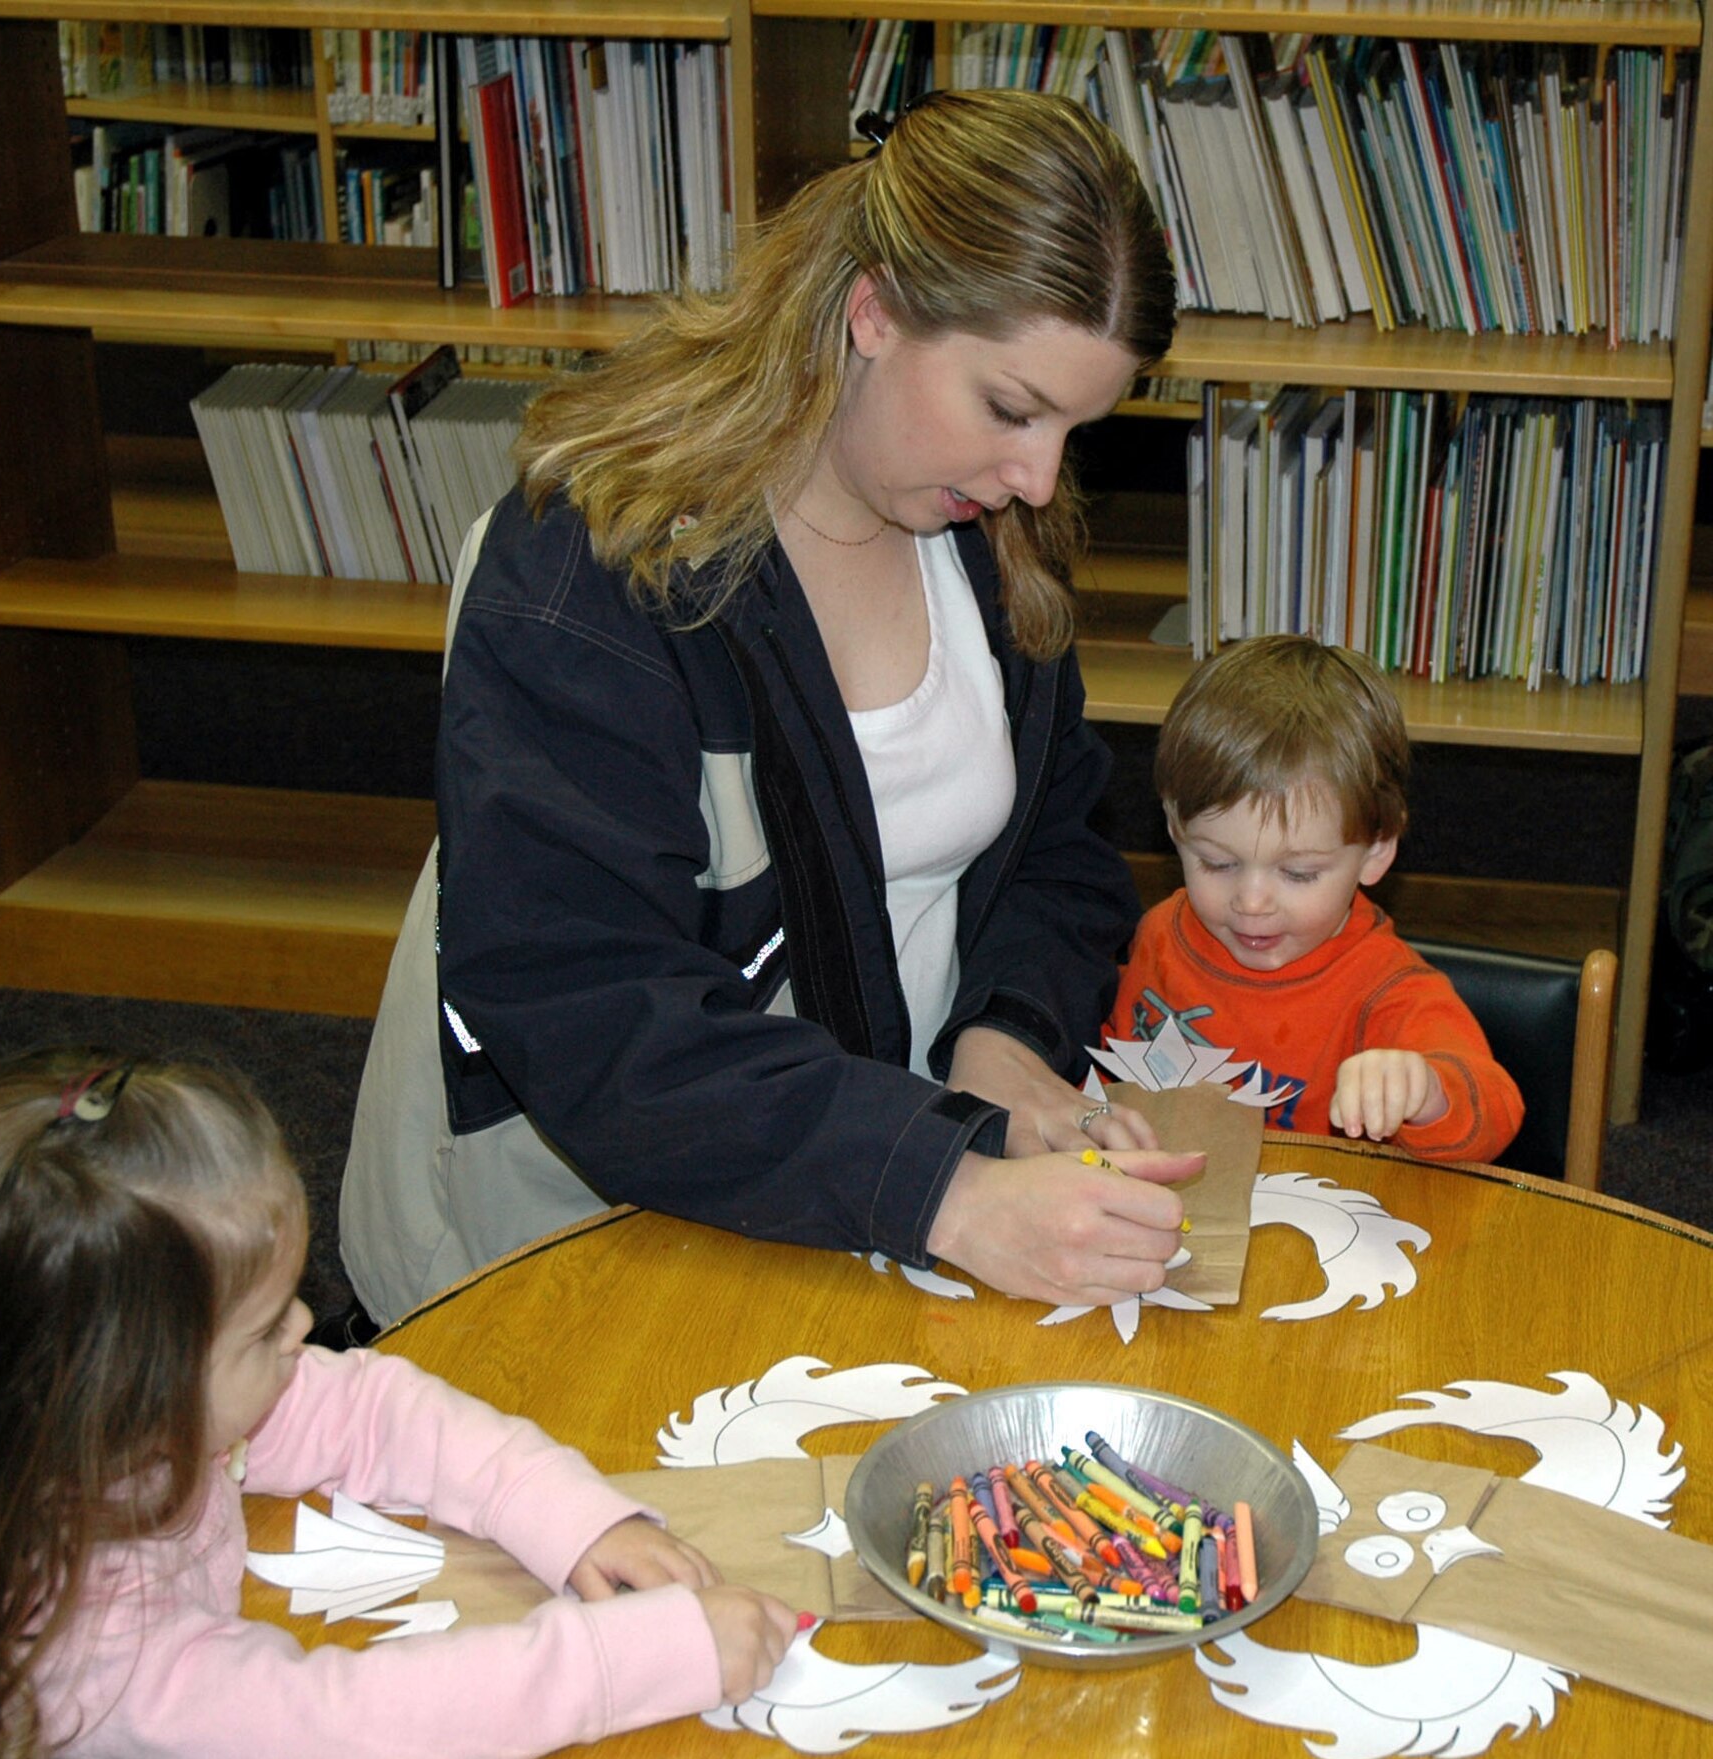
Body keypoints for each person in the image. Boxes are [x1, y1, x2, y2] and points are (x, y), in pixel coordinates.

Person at [339, 89, 1204, 1330]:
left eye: (1076, 428)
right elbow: (588, 1007)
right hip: (590, 1208)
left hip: (865, 1162)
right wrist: (943, 1188)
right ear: (870, 314)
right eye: (1011, 409)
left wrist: (1001, 1039)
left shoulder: (982, 526)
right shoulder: (592, 564)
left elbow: (1055, 848)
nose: (1037, 475)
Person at [0, 1050, 795, 1759]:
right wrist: (636, 1659)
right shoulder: (78, 1644)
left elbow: (371, 1409)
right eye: (264, 1330)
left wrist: (571, 1518)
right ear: (118, 1400)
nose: (308, 1330)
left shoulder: (79, 1436)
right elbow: (338, 1726)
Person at [1103, 634, 1523, 1161]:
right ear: (1173, 828)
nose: (1251, 902)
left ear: (1376, 850)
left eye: (1298, 873)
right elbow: (1113, 1070)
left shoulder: (1387, 991)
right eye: (1217, 863)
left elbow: (1496, 1110)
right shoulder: (1162, 932)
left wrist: (1426, 1090)